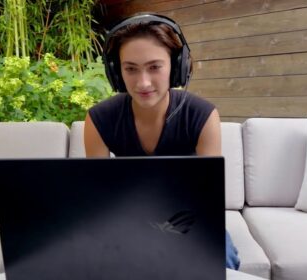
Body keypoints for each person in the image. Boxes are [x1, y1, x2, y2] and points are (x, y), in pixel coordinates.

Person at [84, 13, 240, 270]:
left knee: (220, 258)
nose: (142, 82)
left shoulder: (202, 115)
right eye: (130, 69)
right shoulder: (99, 119)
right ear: (116, 71)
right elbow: (99, 199)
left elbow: (209, 200)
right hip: (125, 218)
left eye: (155, 67)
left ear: (176, 67)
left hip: (190, 219)